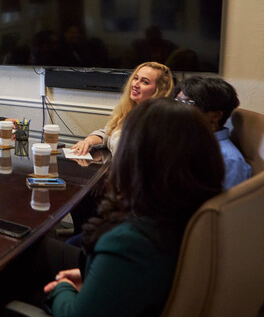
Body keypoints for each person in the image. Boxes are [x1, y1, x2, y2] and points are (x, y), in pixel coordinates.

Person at [33, 99, 224, 316]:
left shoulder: (130, 241)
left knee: (21, 264)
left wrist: (63, 288)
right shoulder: (194, 206)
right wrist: (92, 276)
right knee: (38, 249)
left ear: (134, 157)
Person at [70, 61, 173, 156]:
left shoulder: (159, 123)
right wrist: (88, 142)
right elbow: (108, 133)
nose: (136, 84)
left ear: (159, 91)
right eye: (135, 78)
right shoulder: (129, 111)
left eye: (145, 82)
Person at [173, 76, 251, 189]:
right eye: (177, 101)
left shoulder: (228, 160)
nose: (177, 109)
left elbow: (225, 205)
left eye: (187, 103)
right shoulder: (186, 140)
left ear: (216, 115)